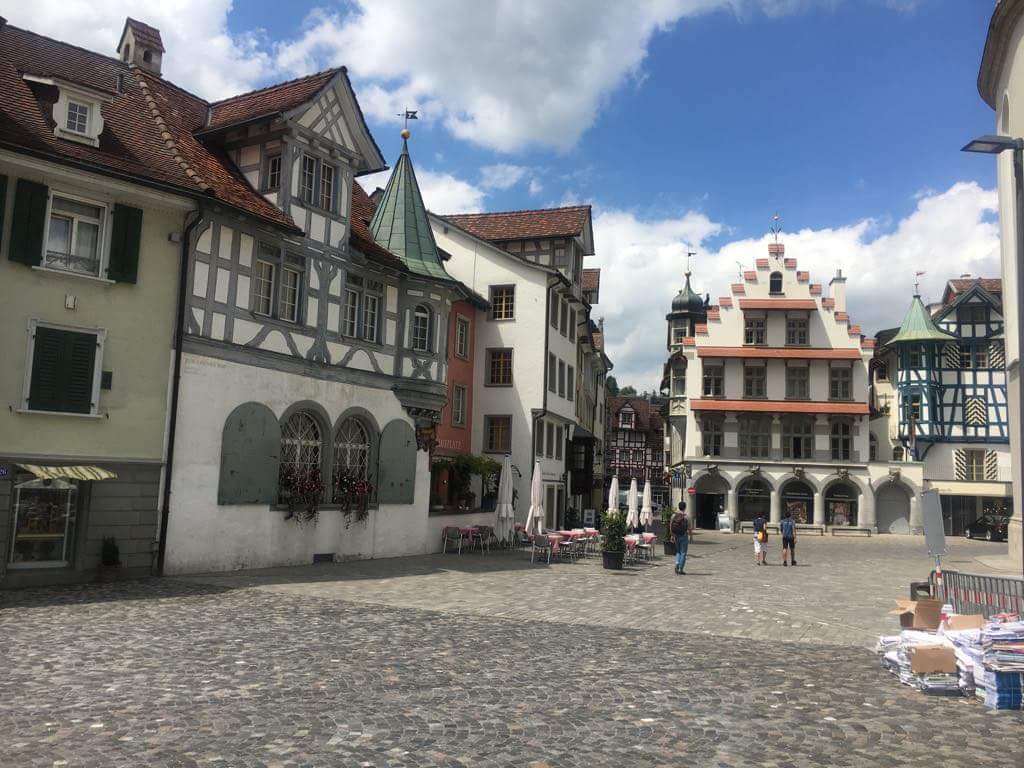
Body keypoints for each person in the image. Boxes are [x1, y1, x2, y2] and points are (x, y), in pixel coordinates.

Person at [670, 501, 693, 574]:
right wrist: (691, 536)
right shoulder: (687, 516)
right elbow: (690, 528)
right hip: (684, 535)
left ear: (679, 507)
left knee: (678, 551)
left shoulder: (674, 515)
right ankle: (680, 569)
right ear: (685, 507)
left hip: (676, 535)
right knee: (683, 552)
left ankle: (677, 562)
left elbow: (670, 526)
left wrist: (672, 535)